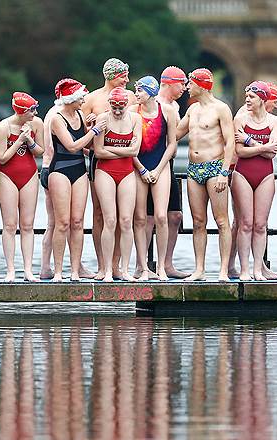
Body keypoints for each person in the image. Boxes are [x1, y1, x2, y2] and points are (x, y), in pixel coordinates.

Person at [177, 68, 234, 281]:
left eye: (190, 84)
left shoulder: (221, 109)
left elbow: (230, 143)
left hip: (215, 167)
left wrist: (224, 172)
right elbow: (175, 133)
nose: (187, 88)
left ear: (201, 85)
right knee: (198, 221)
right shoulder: (192, 110)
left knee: (221, 221)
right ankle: (199, 269)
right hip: (194, 169)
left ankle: (223, 270)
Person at [48, 78, 107, 282]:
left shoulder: (81, 115)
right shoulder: (56, 118)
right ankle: (57, 272)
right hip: (60, 169)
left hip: (79, 169)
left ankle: (75, 271)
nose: (84, 100)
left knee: (77, 222)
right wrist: (94, 130)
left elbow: (86, 147)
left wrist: (90, 126)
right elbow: (72, 146)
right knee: (62, 222)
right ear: (71, 97)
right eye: (81, 96)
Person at [82, 57, 134, 279]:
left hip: (124, 162)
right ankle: (102, 265)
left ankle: (117, 265)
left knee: (124, 216)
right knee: (100, 214)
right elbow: (80, 134)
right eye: (123, 76)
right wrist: (88, 124)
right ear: (111, 76)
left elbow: (135, 125)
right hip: (98, 159)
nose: (127, 80)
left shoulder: (130, 97)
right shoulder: (92, 98)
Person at [230, 81, 277, 280]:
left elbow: (272, 154)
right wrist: (262, 147)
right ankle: (244, 270)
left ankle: (258, 270)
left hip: (265, 175)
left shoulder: (275, 122)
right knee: (245, 223)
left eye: (251, 97)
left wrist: (250, 141)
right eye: (246, 97)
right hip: (242, 173)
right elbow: (240, 152)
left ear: (262, 99)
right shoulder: (241, 119)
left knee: (260, 224)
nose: (247, 100)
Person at [131, 75, 177, 281]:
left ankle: (161, 268)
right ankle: (142, 267)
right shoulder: (133, 113)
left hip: (160, 165)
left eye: (140, 90)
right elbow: (129, 145)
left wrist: (158, 169)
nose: (136, 94)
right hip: (138, 166)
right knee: (140, 218)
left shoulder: (167, 111)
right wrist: (141, 169)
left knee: (160, 216)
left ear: (150, 92)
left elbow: (172, 144)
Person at [94, 87, 141, 282]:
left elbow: (135, 151)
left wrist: (110, 149)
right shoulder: (102, 120)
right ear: (110, 105)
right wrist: (125, 150)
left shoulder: (135, 119)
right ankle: (106, 270)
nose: (118, 111)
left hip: (127, 172)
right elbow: (98, 152)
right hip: (104, 171)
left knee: (126, 221)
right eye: (114, 107)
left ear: (127, 105)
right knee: (110, 220)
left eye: (121, 107)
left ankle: (125, 269)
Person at [0, 91, 44, 282]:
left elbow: (40, 152)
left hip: (29, 174)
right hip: (7, 175)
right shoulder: (3, 127)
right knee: (9, 225)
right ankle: (10, 271)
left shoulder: (36, 124)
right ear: (21, 111)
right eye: (32, 110)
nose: (35, 113)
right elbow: (3, 157)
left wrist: (30, 140)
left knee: (27, 224)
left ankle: (28, 270)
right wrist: (20, 140)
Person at [147, 65, 188, 279]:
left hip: (167, 165)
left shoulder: (175, 107)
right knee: (148, 217)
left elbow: (175, 136)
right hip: (149, 163)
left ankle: (167, 264)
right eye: (181, 83)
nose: (185, 87)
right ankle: (144, 265)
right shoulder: (153, 103)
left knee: (175, 216)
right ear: (168, 83)